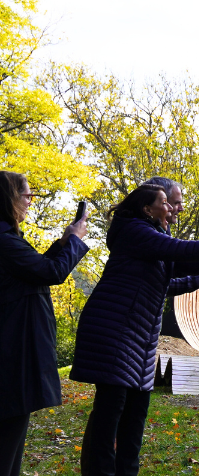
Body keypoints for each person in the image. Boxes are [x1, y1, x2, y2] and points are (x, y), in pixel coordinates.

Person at [72, 184, 199, 476]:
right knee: (111, 410)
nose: (172, 208)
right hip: (114, 330)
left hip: (137, 338)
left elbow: (169, 274)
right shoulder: (133, 231)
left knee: (134, 415)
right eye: (165, 202)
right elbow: (177, 250)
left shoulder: (151, 240)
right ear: (146, 209)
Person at [0, 172, 90, 476]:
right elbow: (50, 273)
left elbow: (35, 270)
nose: (30, 202)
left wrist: (64, 242)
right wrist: (75, 242)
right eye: (27, 196)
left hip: (14, 351)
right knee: (7, 437)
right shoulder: (4, 241)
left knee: (12, 434)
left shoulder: (8, 239)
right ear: (9, 198)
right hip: (12, 353)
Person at [141, 177, 199, 337]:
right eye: (175, 203)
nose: (181, 208)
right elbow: (180, 252)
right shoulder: (143, 233)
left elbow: (165, 282)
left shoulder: (159, 233)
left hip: (142, 328)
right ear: (157, 203)